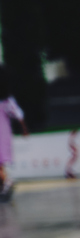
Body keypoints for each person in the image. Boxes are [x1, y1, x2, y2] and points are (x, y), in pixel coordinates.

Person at [0, 66, 28, 203]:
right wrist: (24, 128)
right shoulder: (6, 101)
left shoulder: (6, 101)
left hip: (2, 136)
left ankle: (7, 183)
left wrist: (24, 129)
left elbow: (18, 114)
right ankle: (6, 184)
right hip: (3, 135)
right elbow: (18, 114)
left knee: (1, 164)